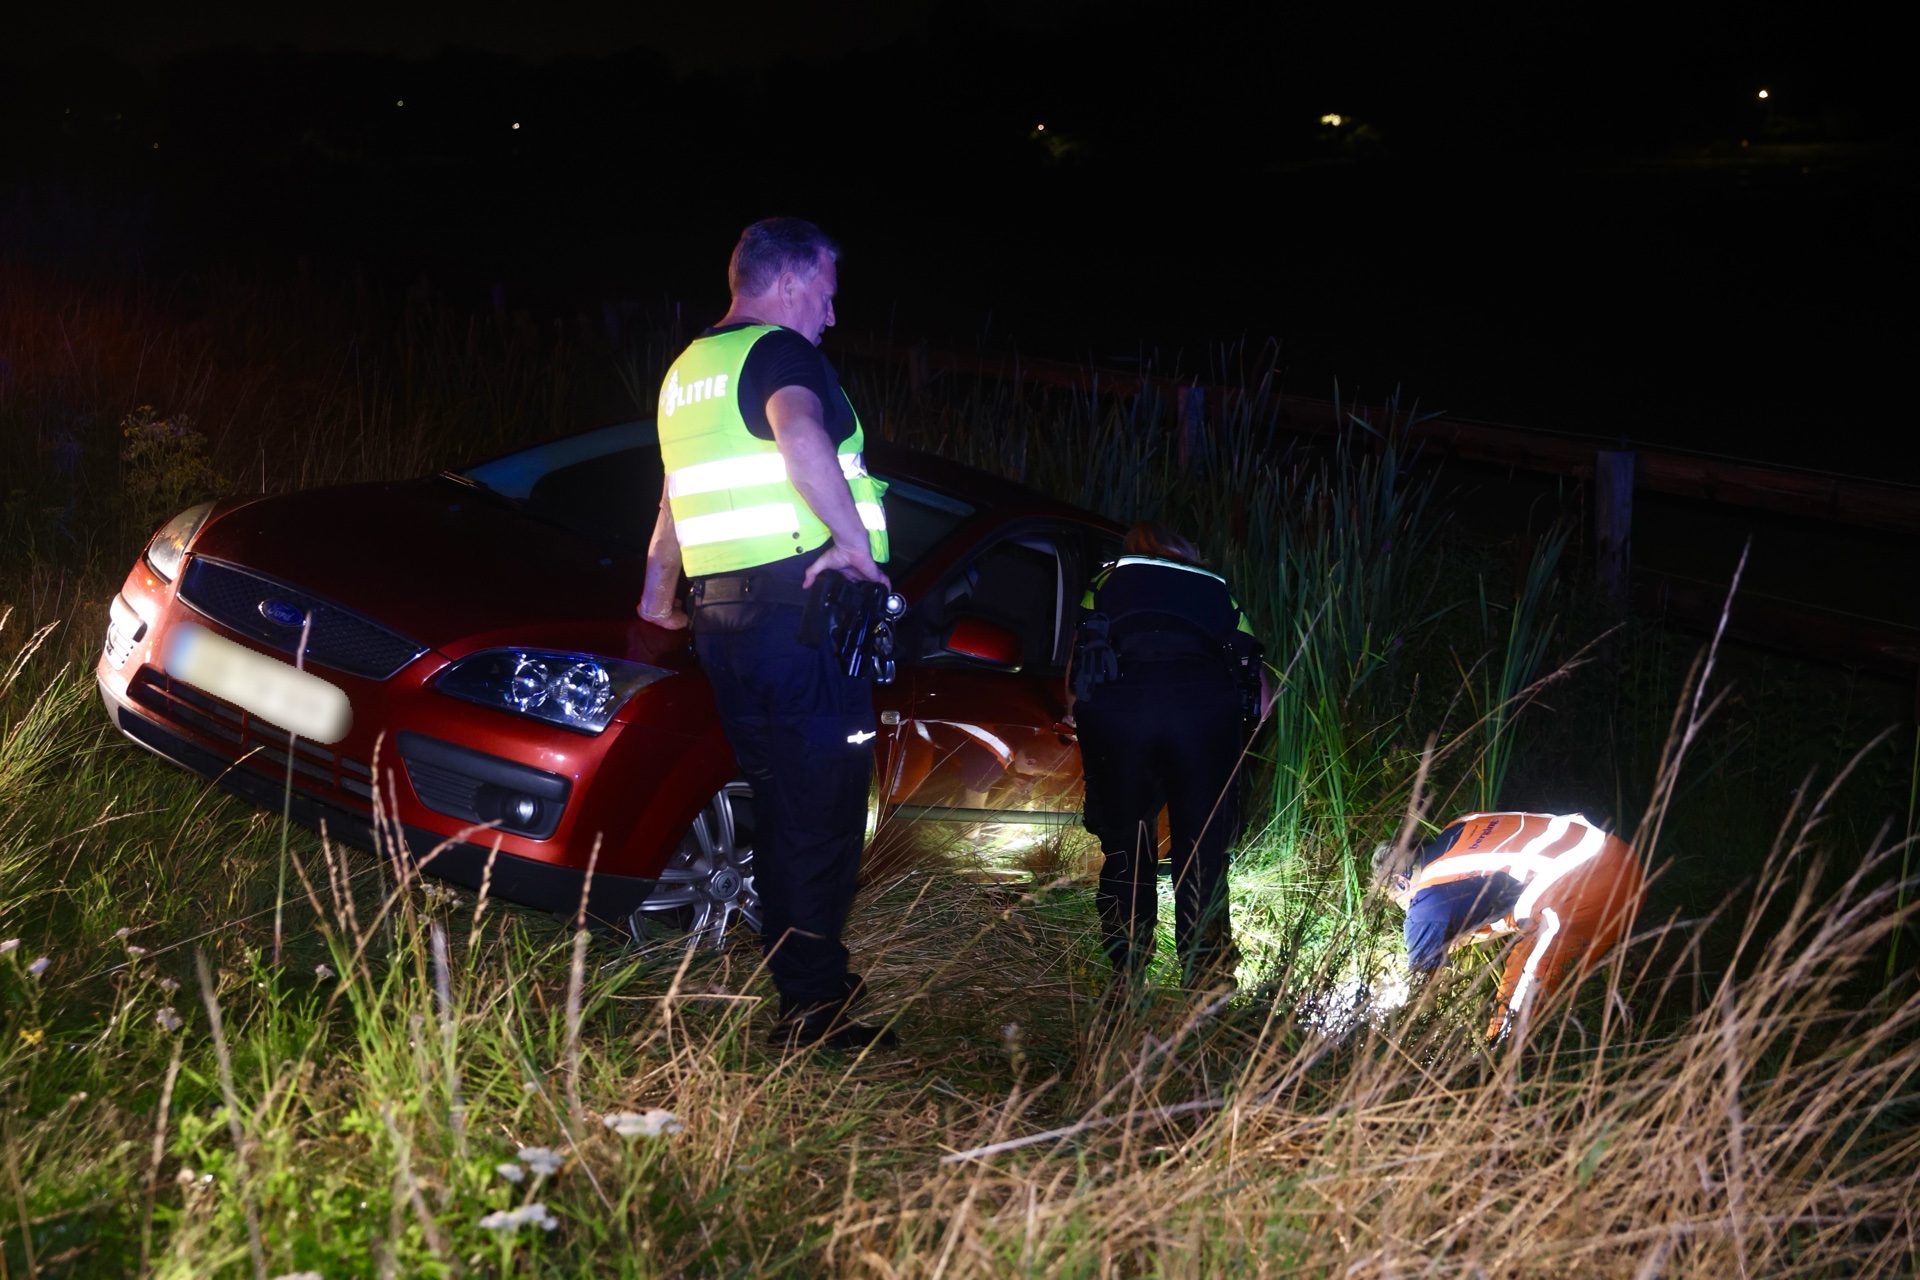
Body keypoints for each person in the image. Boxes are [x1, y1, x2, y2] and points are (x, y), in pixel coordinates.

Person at [636, 217, 895, 1050]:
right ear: (786, 284)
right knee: (821, 812)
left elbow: (674, 496)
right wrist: (856, 548)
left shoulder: (689, 373)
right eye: (824, 293)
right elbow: (801, 436)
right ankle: (813, 1012)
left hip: (726, 624)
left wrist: (658, 595)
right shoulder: (783, 356)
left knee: (784, 803)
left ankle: (808, 974)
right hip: (800, 618)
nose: (829, 315)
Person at [1069, 522, 1269, 988]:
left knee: (1126, 849)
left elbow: (1079, 666)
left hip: (1122, 716)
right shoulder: (1217, 589)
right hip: (1203, 717)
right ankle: (1207, 987)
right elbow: (1262, 693)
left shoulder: (1104, 581)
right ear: (1185, 551)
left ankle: (1127, 978)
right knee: (1203, 855)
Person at [1376, 811, 1645, 1039]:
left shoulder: (1424, 908)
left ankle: (1494, 1076)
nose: (1406, 909)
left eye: (1400, 901)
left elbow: (1420, 1001)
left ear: (1402, 882)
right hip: (1620, 855)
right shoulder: (1461, 825)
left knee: (1509, 1025)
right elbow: (1492, 904)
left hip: (1588, 893)